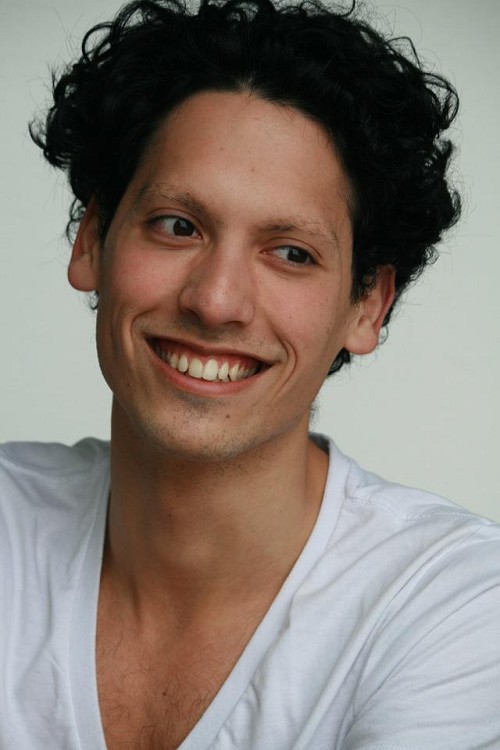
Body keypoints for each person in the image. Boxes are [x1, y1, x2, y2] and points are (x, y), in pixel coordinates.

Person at [1, 0, 499, 748]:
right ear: (92, 241)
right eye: (177, 226)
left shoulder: (453, 604)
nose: (216, 301)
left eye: (291, 253)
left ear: (368, 306)